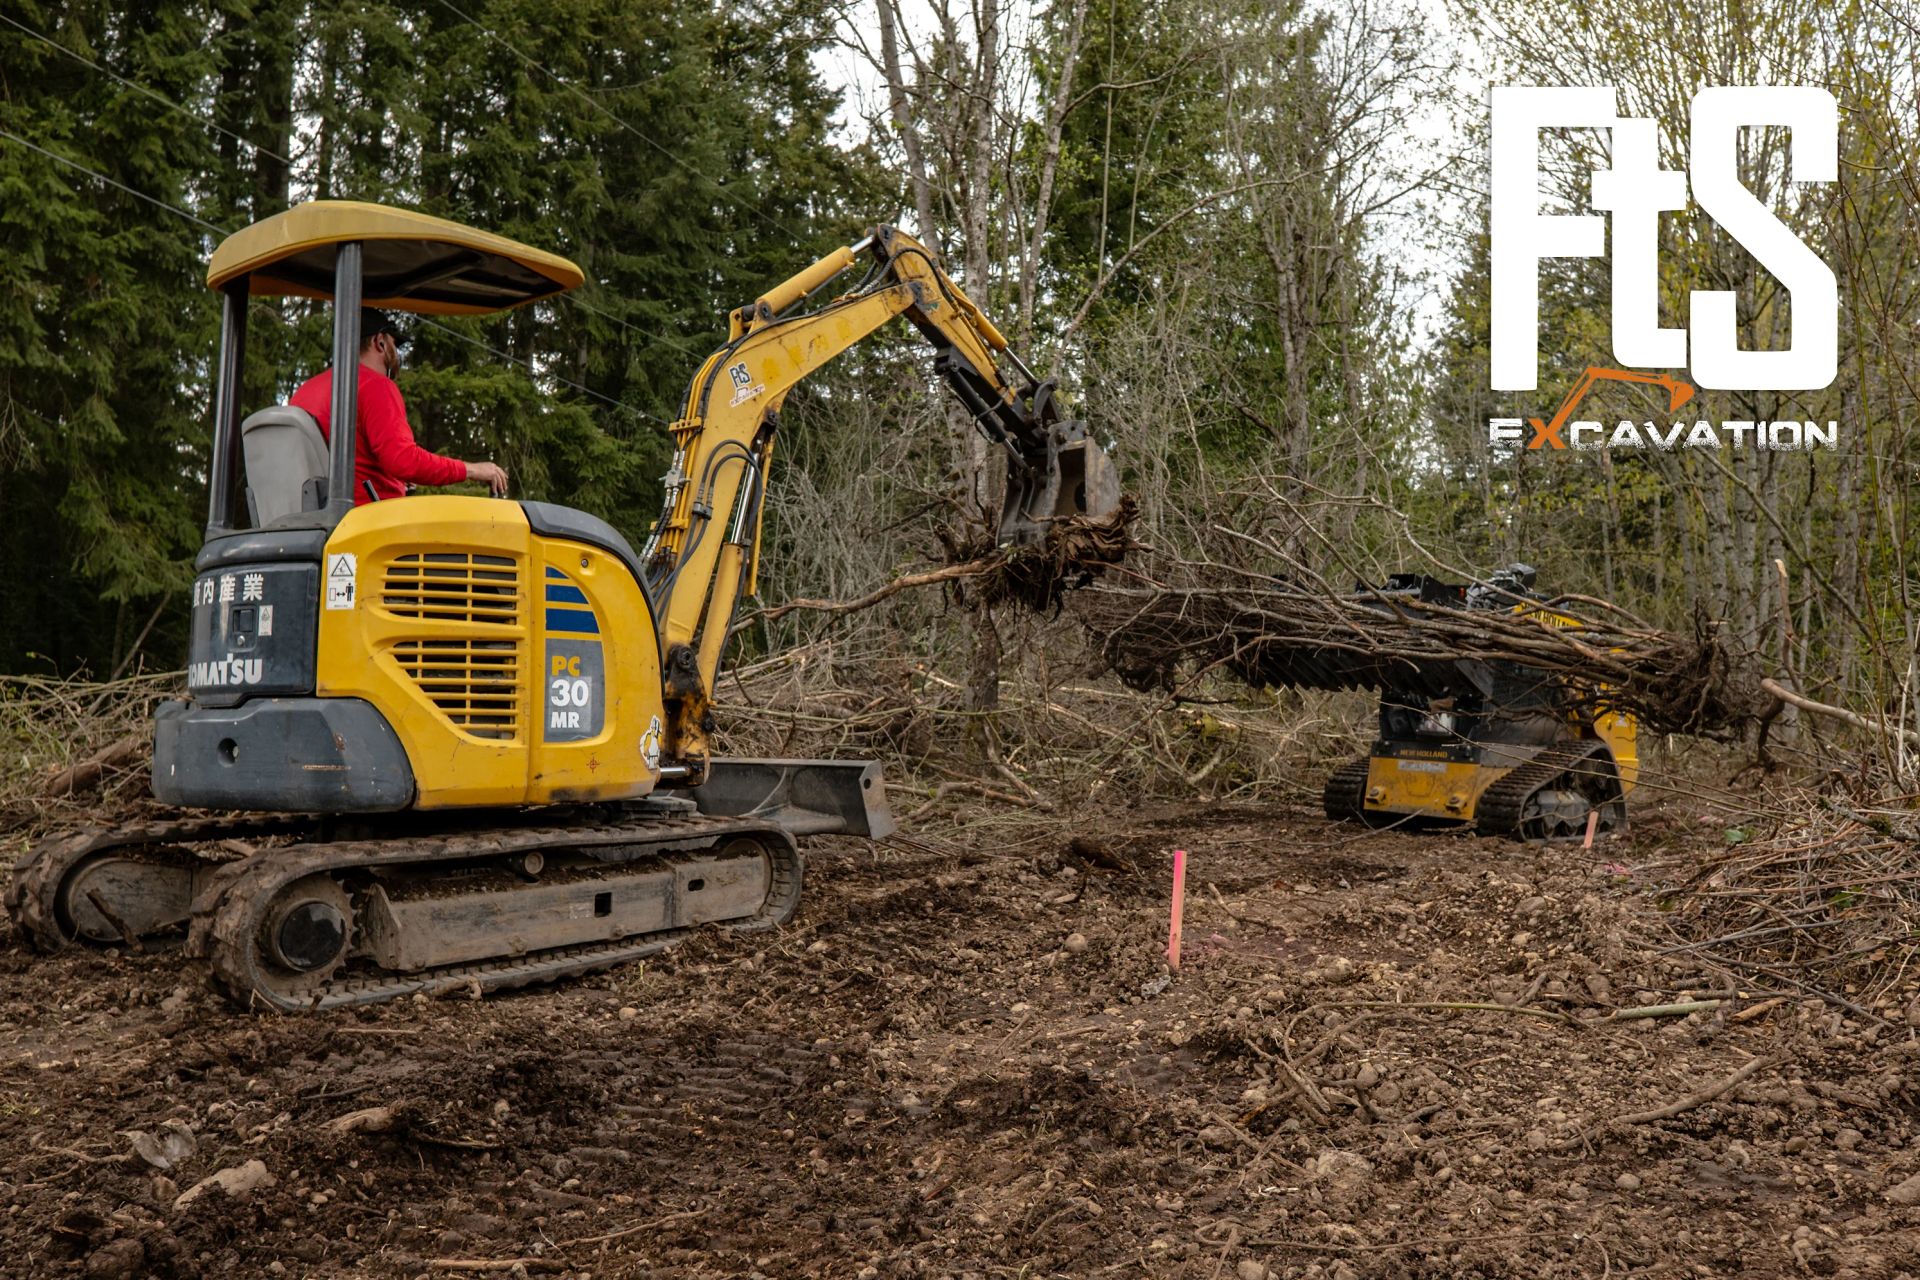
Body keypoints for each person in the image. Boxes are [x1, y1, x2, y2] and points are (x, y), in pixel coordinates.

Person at [289, 309, 509, 505]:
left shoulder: (304, 392)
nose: (397, 352)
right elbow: (403, 461)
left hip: (315, 521)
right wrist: (472, 469)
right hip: (366, 525)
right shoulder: (375, 386)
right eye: (395, 344)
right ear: (380, 342)